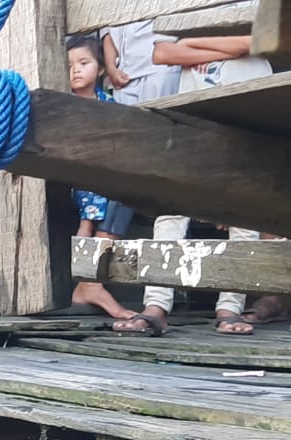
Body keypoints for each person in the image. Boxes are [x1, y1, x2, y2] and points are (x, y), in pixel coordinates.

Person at [113, 35, 276, 336]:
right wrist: (240, 44)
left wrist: (193, 45)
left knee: (243, 216)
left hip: (249, 119)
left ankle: (230, 308)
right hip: (193, 118)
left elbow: (259, 41)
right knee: (171, 209)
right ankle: (157, 306)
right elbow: (161, 53)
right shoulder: (189, 9)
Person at [65, 35, 136, 320]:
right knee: (93, 205)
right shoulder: (61, 103)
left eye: (84, 63)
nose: (76, 70)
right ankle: (90, 283)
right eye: (69, 65)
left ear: (102, 68)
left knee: (125, 193)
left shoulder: (109, 104)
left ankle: (90, 284)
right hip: (69, 180)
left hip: (101, 179)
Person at [100, 20, 181, 105]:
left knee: (158, 116)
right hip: (123, 77)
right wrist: (111, 68)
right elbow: (108, 35)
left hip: (157, 71)